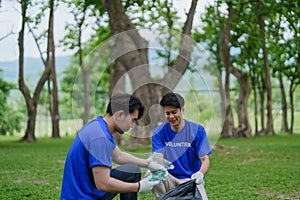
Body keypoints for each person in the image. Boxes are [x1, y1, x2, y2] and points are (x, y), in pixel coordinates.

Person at [60, 93, 165, 200]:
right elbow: (103, 184)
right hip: (84, 197)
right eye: (133, 120)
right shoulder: (100, 138)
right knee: (127, 176)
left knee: (132, 170)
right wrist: (138, 186)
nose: (133, 125)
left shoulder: (98, 125)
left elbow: (119, 156)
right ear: (119, 115)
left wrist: (149, 164)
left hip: (88, 190)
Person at [150, 92, 211, 199]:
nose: (171, 116)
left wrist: (200, 174)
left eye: (174, 112)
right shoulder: (159, 132)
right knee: (150, 174)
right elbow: (159, 156)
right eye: (167, 113)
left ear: (182, 110)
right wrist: (158, 167)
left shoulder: (197, 130)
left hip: (190, 180)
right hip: (169, 179)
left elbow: (205, 159)